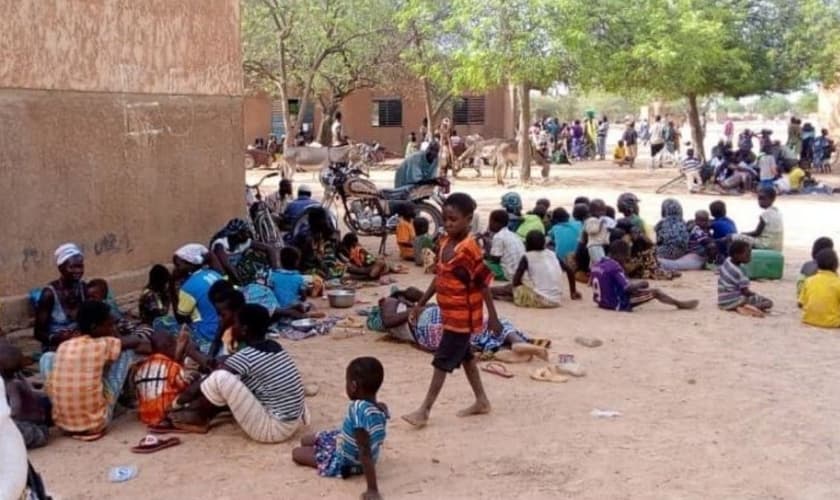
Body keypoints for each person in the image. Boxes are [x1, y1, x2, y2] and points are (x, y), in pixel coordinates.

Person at [402, 193, 499, 428]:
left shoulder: (469, 249)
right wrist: (421, 302)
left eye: (453, 219)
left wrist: (493, 318)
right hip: (449, 315)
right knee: (466, 358)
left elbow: (483, 284)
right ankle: (482, 400)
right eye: (445, 219)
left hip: (462, 318)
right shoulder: (445, 242)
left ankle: (424, 411)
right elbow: (440, 276)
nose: (448, 224)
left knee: (441, 362)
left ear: (468, 219)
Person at [170, 304, 308, 442]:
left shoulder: (247, 357)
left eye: (235, 323)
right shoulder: (274, 346)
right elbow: (222, 362)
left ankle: (197, 417)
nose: (232, 327)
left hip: (274, 429)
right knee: (229, 375)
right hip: (290, 422)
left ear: (244, 330)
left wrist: (177, 403)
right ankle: (197, 412)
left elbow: (212, 376)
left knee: (219, 378)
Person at [41, 301, 150, 439]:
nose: (112, 328)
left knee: (48, 357)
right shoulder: (103, 344)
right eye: (109, 325)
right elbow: (135, 341)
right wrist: (116, 335)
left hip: (63, 425)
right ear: (94, 327)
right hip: (96, 423)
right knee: (125, 353)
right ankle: (125, 398)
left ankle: (65, 409)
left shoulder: (64, 345)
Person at [293, 357, 388, 500]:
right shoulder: (381, 407)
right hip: (349, 445)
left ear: (354, 386)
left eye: (347, 382)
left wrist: (372, 489)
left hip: (346, 461)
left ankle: (351, 470)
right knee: (306, 440)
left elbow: (364, 450)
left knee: (297, 452)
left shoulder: (357, 409)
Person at [590, 240, 698, 311]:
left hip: (601, 302)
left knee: (633, 288)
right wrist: (643, 283)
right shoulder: (615, 267)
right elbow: (628, 288)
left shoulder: (598, 264)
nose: (627, 260)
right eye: (626, 257)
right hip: (617, 304)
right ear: (620, 254)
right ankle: (679, 304)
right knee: (655, 292)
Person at [493, 231, 576, 308]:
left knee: (510, 288)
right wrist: (573, 292)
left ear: (527, 244)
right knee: (522, 289)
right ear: (544, 243)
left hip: (542, 300)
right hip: (557, 299)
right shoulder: (552, 254)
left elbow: (516, 282)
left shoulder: (527, 256)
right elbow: (569, 270)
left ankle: (490, 292)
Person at [34, 243, 87, 351]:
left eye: (80, 266)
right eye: (72, 267)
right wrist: (59, 338)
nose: (78, 271)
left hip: (80, 342)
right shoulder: (49, 294)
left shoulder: (83, 289)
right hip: (56, 347)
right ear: (60, 268)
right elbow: (38, 333)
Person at [133, 331, 192, 427]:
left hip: (146, 416)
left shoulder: (140, 369)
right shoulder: (174, 367)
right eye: (174, 345)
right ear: (169, 346)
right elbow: (186, 389)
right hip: (166, 414)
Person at [173, 243, 223, 353]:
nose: (176, 269)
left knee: (161, 323)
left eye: (178, 265)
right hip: (223, 329)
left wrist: (172, 287)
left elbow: (180, 318)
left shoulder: (188, 287)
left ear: (190, 264)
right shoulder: (214, 274)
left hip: (206, 333)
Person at [0, 342, 51, 449]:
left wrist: (5, 418)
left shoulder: (11, 385)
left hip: (35, 430)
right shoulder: (17, 377)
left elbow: (15, 409)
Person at [210, 218, 278, 285]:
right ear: (238, 235)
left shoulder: (243, 242)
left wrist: (275, 272)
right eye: (246, 232)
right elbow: (227, 266)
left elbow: (269, 249)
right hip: (225, 275)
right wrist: (240, 283)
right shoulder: (220, 245)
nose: (248, 235)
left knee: (257, 256)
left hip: (237, 271)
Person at [718, 240, 773, 316]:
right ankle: (749, 308)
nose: (750, 257)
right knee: (768, 302)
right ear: (736, 255)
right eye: (747, 254)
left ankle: (741, 306)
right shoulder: (741, 272)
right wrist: (754, 294)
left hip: (722, 300)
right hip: (736, 300)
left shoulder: (726, 261)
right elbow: (745, 292)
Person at [293, 207, 344, 281]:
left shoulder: (306, 234)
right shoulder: (308, 238)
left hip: (313, 268)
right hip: (309, 269)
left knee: (338, 269)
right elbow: (310, 260)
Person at [798, 249, 840, 328]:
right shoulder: (838, 282)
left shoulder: (809, 280)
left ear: (817, 265)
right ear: (836, 265)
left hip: (809, 319)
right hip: (833, 322)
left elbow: (801, 302)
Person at [486, 209, 526, 282]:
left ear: (496, 223)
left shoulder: (498, 236)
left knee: (481, 264)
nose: (489, 225)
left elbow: (495, 260)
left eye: (490, 222)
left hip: (509, 274)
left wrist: (484, 254)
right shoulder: (514, 235)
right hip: (520, 273)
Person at [654, 198, 690, 267]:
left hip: (666, 251)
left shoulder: (662, 222)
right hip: (682, 251)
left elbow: (658, 240)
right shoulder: (682, 221)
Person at [584, 199, 610, 264]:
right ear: (591, 212)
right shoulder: (591, 220)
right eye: (599, 211)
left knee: (597, 262)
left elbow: (604, 233)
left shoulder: (600, 220)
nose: (602, 213)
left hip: (600, 245)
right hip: (594, 245)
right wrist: (600, 225)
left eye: (603, 210)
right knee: (600, 263)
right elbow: (591, 231)